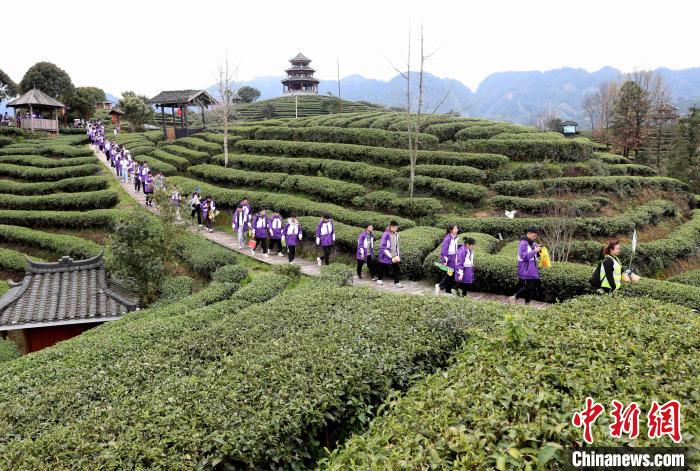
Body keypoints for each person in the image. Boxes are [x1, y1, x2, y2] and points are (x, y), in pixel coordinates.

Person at [509, 226, 542, 305]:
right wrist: (535, 251)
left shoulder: (533, 243)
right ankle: (514, 297)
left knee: (532, 288)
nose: (535, 237)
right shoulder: (523, 243)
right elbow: (523, 256)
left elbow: (535, 256)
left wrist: (539, 250)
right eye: (534, 235)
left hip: (532, 268)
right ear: (529, 233)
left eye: (536, 236)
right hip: (526, 269)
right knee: (528, 287)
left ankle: (527, 304)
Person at [435, 224, 459, 295]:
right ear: (451, 230)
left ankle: (449, 290)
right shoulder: (447, 239)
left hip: (454, 258)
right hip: (450, 259)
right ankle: (440, 286)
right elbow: (444, 250)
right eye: (455, 229)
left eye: (457, 228)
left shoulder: (456, 238)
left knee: (452, 274)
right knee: (450, 273)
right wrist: (444, 261)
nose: (457, 230)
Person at [377, 221, 402, 288]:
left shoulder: (396, 234)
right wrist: (390, 256)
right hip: (385, 255)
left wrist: (397, 255)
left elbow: (397, 245)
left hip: (394, 255)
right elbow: (383, 246)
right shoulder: (385, 234)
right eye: (395, 228)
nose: (396, 229)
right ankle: (379, 279)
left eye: (397, 228)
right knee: (383, 267)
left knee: (397, 268)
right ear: (391, 227)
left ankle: (397, 282)